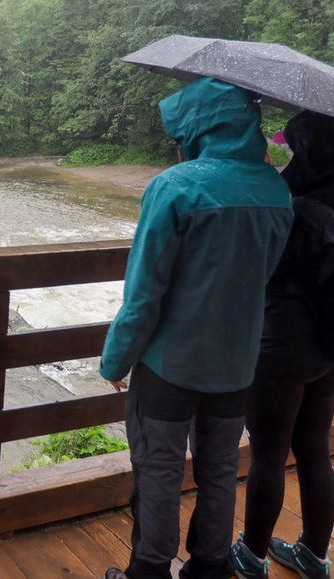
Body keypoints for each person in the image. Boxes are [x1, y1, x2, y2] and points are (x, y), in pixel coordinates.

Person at [100, 77, 293, 579]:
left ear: (198, 126)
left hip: (170, 364)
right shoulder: (275, 189)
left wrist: (116, 360)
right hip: (237, 362)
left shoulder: (176, 186)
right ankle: (209, 566)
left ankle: (149, 569)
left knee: (159, 470)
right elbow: (263, 277)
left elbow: (144, 294)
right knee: (220, 469)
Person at [229, 112, 334, 579]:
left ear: (311, 150)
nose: (292, 154)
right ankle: (314, 555)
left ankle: (251, 555)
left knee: (269, 454)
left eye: (297, 146)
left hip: (283, 348)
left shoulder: (299, 209)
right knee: (315, 448)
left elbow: (260, 271)